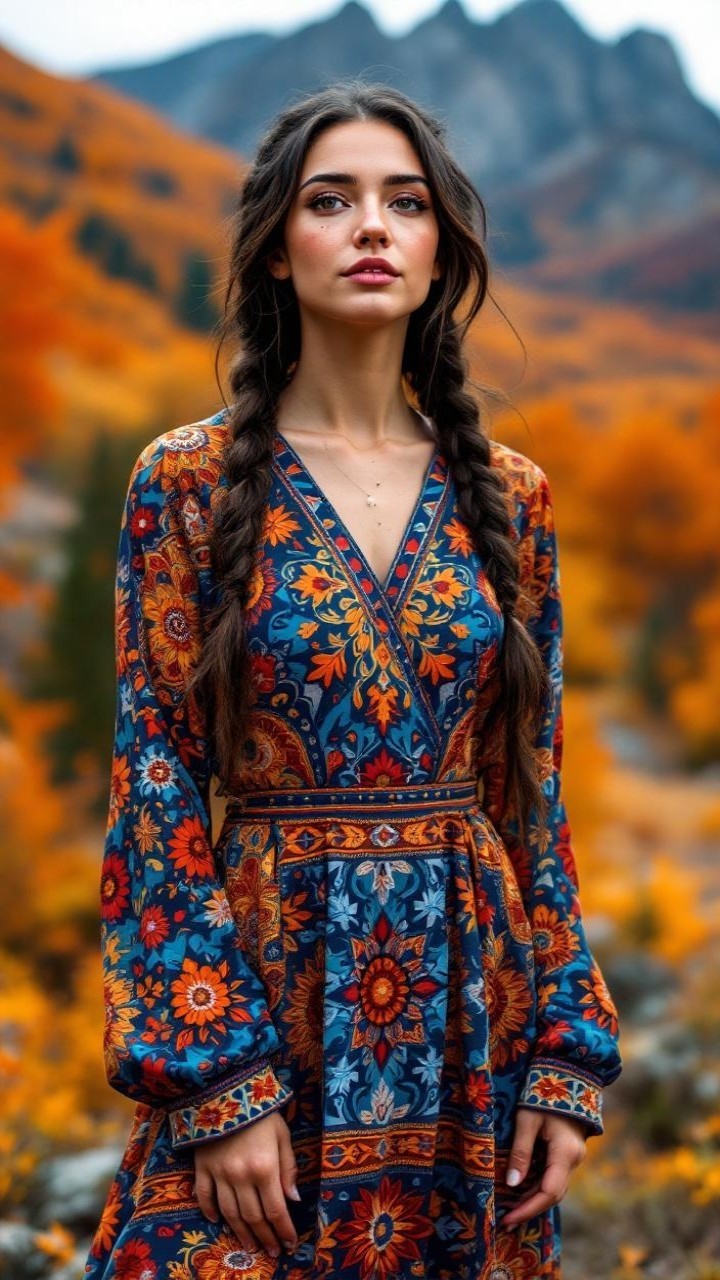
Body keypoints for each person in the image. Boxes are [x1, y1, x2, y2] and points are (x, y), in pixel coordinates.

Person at [83, 80, 622, 1280]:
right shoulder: (184, 481)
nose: (373, 225)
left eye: (406, 202)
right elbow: (154, 782)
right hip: (266, 1002)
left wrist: (564, 1052)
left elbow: (531, 791)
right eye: (331, 200)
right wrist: (216, 1078)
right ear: (278, 249)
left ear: (440, 251)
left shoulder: (512, 497)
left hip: (471, 1015)